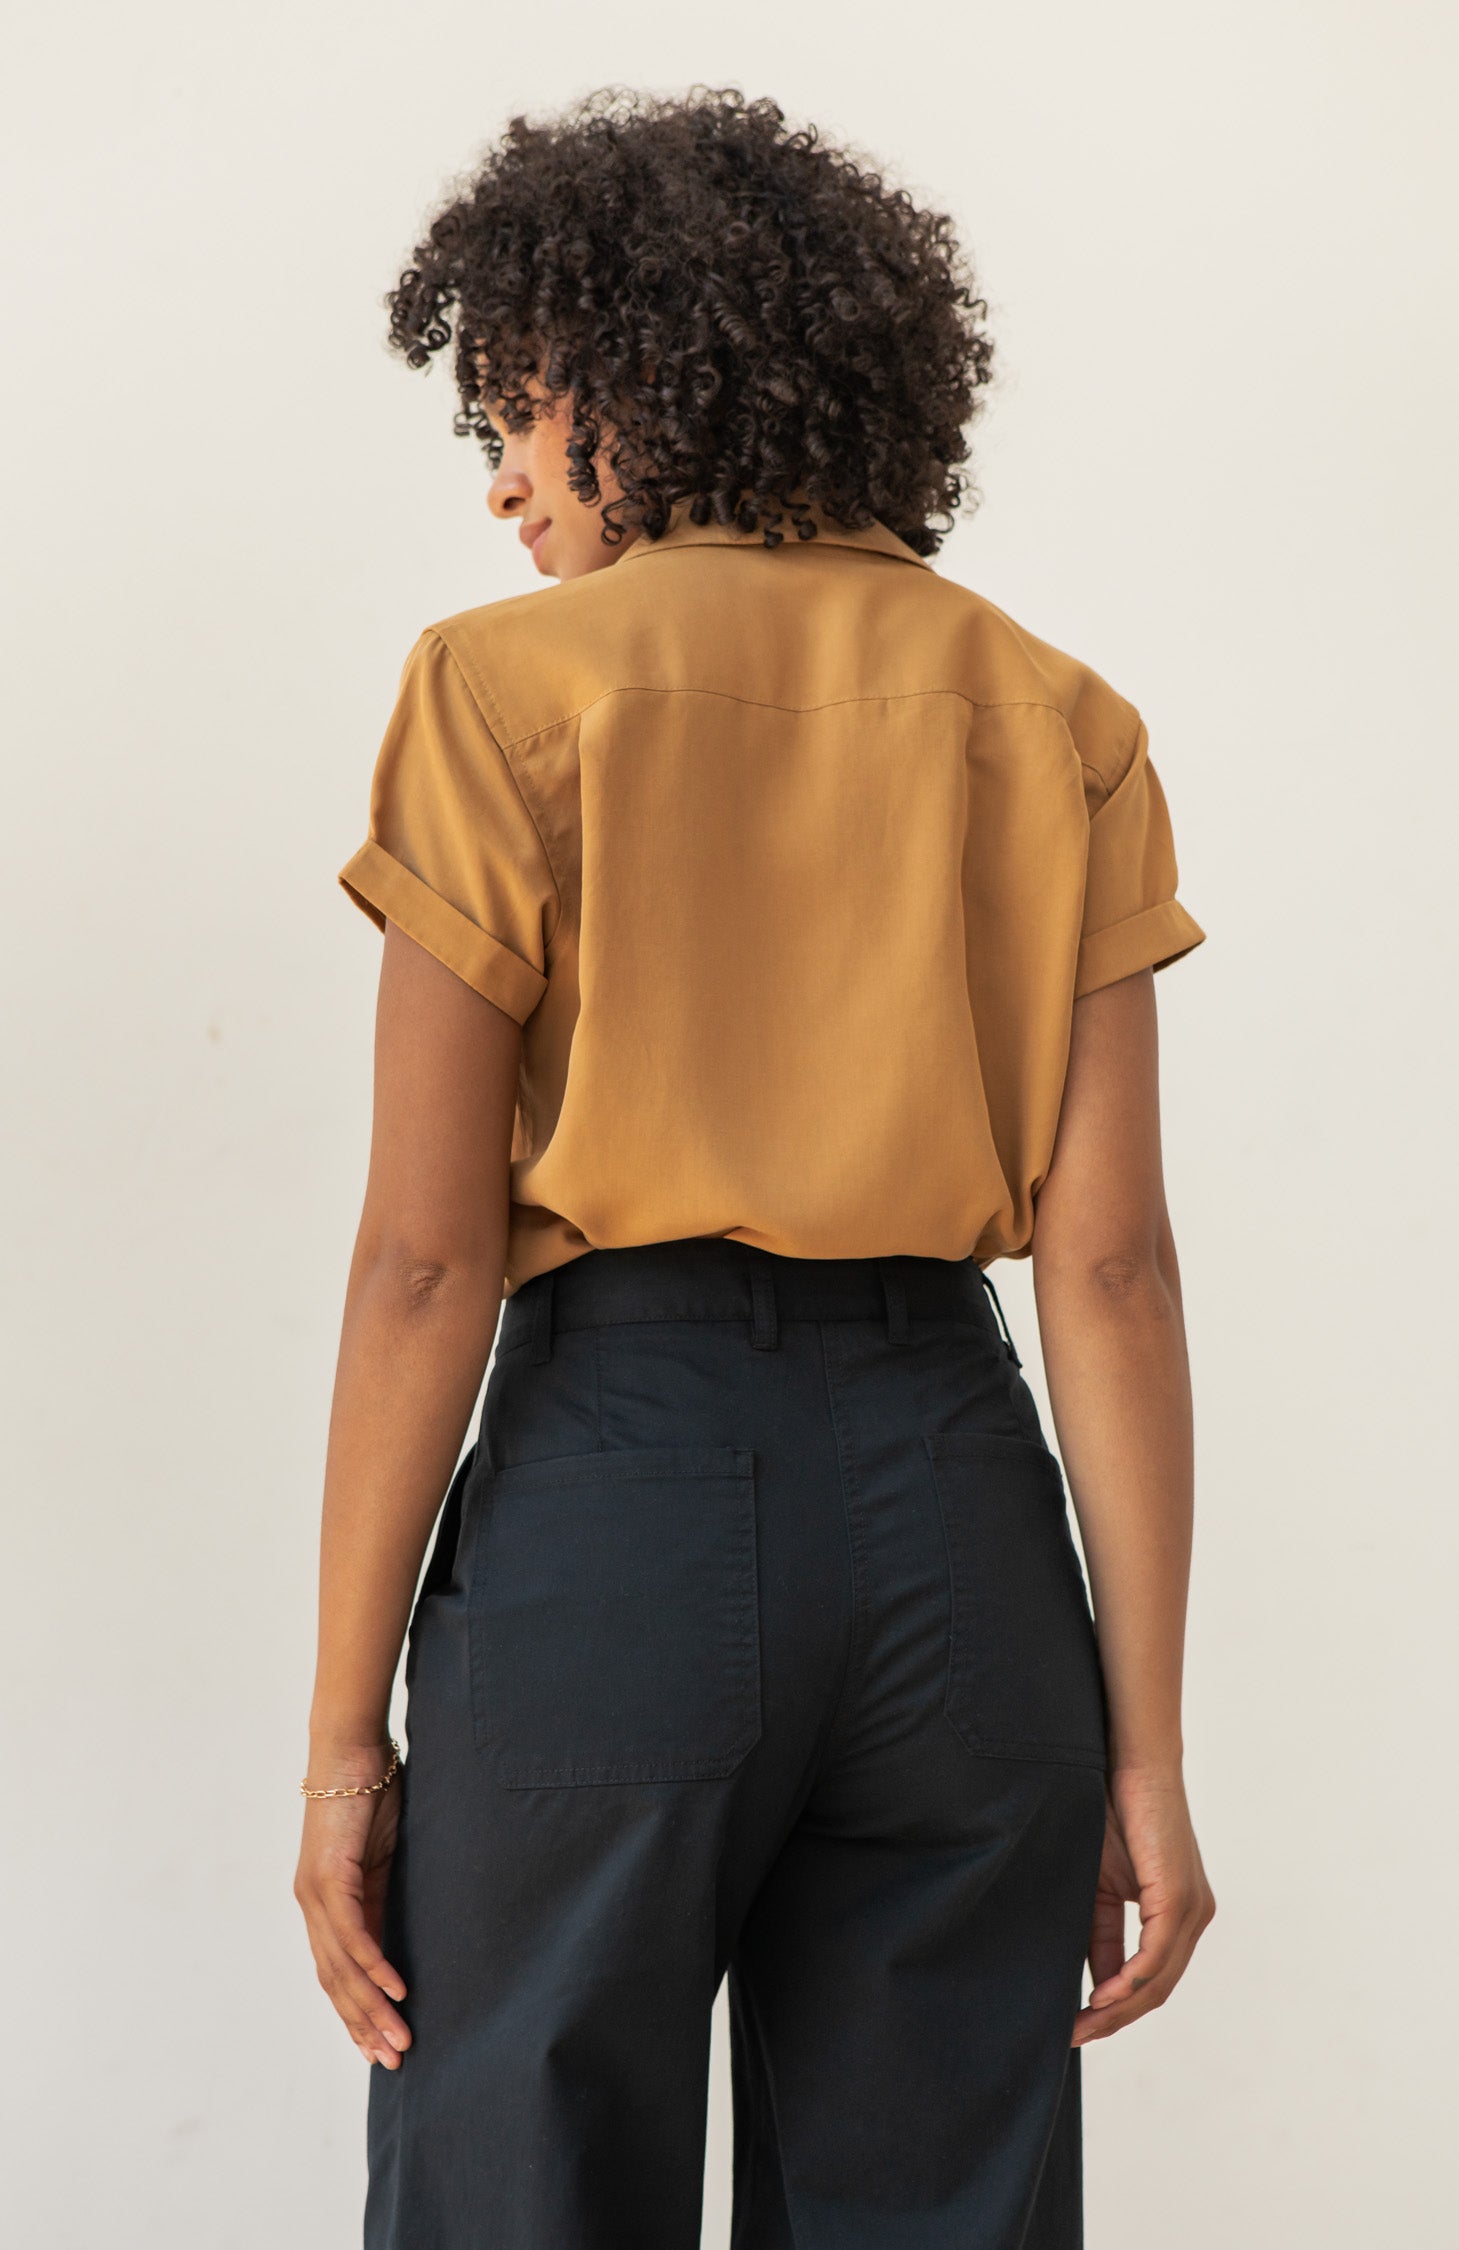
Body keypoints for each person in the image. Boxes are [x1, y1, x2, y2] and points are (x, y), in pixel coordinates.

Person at [293, 85, 1215, 2250]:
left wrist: (344, 1737)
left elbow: (426, 1266)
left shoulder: (503, 695)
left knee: (519, 2187)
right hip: (959, 1528)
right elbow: (1116, 1278)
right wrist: (1147, 1750)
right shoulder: (1055, 718)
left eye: (519, 407)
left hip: (618, 1500)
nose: (506, 479)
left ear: (644, 376)